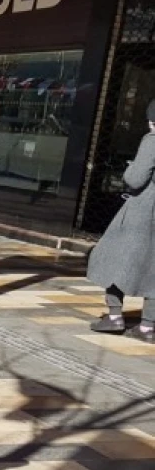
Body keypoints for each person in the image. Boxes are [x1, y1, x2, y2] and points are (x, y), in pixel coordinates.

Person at [86, 100, 155, 344]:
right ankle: (148, 327)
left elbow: (136, 179)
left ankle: (115, 316)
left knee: (113, 255)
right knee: (153, 267)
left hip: (143, 210)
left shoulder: (152, 140)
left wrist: (128, 170)